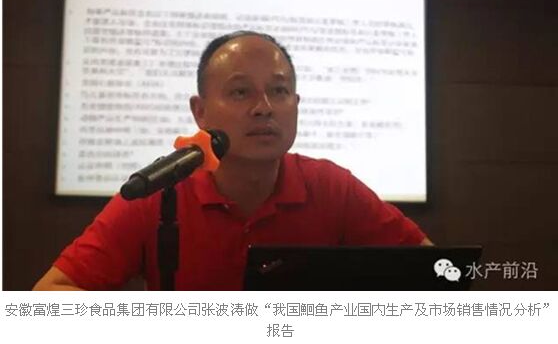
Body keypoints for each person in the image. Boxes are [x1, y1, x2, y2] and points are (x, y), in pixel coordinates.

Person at [34, 31, 432, 291]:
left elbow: (436, 273)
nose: (264, 108)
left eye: (279, 91)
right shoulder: (161, 192)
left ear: (296, 104)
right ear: (200, 111)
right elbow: (52, 294)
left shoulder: (331, 187)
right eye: (241, 92)